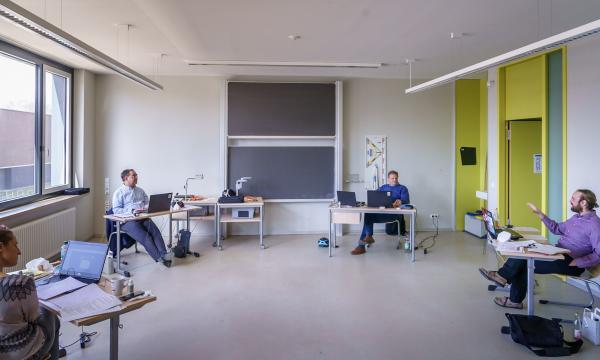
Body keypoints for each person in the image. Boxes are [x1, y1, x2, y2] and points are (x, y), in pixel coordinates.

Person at [479, 189, 600, 309]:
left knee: (525, 261)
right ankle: (509, 290)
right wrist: (540, 214)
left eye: (574, 198)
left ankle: (505, 282)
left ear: (584, 203)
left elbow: (598, 254)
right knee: (523, 252)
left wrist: (578, 263)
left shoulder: (594, 225)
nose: (570, 200)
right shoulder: (576, 218)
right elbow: (557, 228)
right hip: (558, 252)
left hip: (572, 263)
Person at [0, 225, 61, 360]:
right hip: (18, 352)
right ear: (1, 247)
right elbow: (33, 318)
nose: (19, 251)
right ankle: (49, 354)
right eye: (15, 245)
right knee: (49, 314)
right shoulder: (21, 284)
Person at [112, 169, 171, 267]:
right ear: (126, 178)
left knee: (155, 232)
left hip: (142, 217)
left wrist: (148, 207)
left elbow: (147, 202)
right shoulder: (119, 193)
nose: (136, 177)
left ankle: (164, 255)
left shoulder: (140, 190)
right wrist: (131, 211)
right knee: (146, 237)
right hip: (127, 221)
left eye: (136, 175)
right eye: (133, 176)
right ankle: (159, 258)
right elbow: (116, 210)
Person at [351, 170, 410, 255]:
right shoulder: (383, 187)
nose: (394, 180)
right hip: (382, 213)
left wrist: (401, 201)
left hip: (394, 215)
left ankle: (362, 245)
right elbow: (374, 195)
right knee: (368, 214)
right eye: (392, 178)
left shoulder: (402, 188)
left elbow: (406, 200)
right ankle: (368, 237)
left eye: (396, 178)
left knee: (368, 219)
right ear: (388, 179)